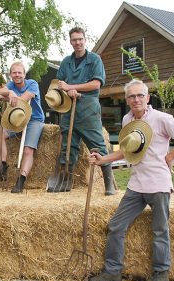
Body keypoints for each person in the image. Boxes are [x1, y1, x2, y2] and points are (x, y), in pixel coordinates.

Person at [87, 79, 174, 281]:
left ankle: (161, 274)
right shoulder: (127, 119)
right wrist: (103, 160)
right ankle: (113, 272)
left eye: (140, 95)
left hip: (158, 185)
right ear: (127, 99)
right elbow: (127, 151)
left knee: (160, 231)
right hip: (136, 185)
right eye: (131, 96)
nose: (136, 99)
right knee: (116, 226)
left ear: (148, 98)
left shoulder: (162, 119)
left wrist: (171, 156)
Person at [47, 26, 115, 195]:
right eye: (74, 40)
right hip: (68, 107)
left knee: (97, 144)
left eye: (80, 39)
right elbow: (60, 84)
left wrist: (73, 86)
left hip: (88, 107)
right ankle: (66, 181)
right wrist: (68, 90)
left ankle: (109, 185)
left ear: (85, 40)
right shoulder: (66, 62)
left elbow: (96, 84)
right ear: (70, 42)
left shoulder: (94, 59)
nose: (77, 42)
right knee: (68, 146)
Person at [0, 61, 45, 193]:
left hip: (33, 120)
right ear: (10, 74)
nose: (17, 75)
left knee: (28, 150)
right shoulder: (11, 85)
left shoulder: (32, 84)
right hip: (16, 118)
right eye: (14, 73)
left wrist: (5, 96)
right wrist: (7, 93)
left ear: (24, 74)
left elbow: (24, 99)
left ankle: (21, 181)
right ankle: (3, 167)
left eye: (20, 72)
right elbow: (0, 90)